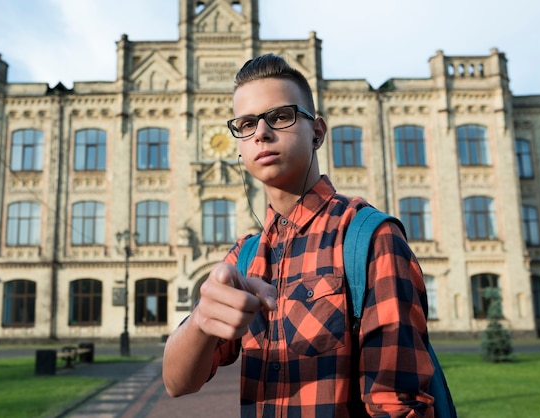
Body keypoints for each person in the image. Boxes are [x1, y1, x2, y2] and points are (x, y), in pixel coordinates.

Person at [163, 53, 435, 417]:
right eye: (246, 124)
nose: (261, 132)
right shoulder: (245, 257)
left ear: (317, 133)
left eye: (280, 116)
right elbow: (177, 383)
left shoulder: (369, 239)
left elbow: (397, 407)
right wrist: (200, 321)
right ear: (241, 149)